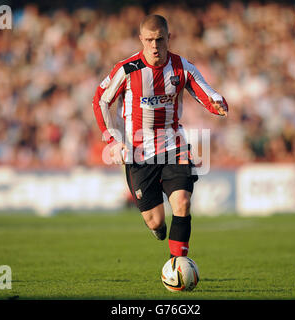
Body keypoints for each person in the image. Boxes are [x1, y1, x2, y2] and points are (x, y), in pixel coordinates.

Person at [92, 14, 228, 258]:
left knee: (182, 203)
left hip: (173, 144)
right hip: (138, 152)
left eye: (160, 40)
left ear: (169, 38)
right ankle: (159, 227)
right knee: (155, 222)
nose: (155, 46)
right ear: (141, 39)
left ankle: (178, 264)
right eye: (149, 40)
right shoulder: (127, 69)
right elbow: (101, 101)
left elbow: (206, 92)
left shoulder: (181, 67)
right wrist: (112, 140)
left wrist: (217, 103)